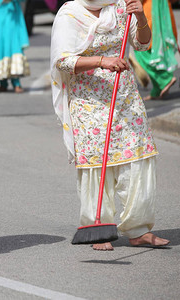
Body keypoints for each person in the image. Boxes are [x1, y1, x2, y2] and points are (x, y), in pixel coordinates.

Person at [51, 0, 170, 251]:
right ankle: (99, 227)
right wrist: (101, 61)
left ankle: (138, 230)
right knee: (97, 163)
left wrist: (140, 18)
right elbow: (63, 62)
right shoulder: (70, 14)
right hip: (88, 100)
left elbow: (142, 44)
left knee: (138, 156)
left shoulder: (120, 6)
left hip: (124, 95)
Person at [134, 0, 178, 100]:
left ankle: (165, 78)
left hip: (150, 13)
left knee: (142, 50)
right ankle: (157, 91)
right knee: (153, 50)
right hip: (162, 12)